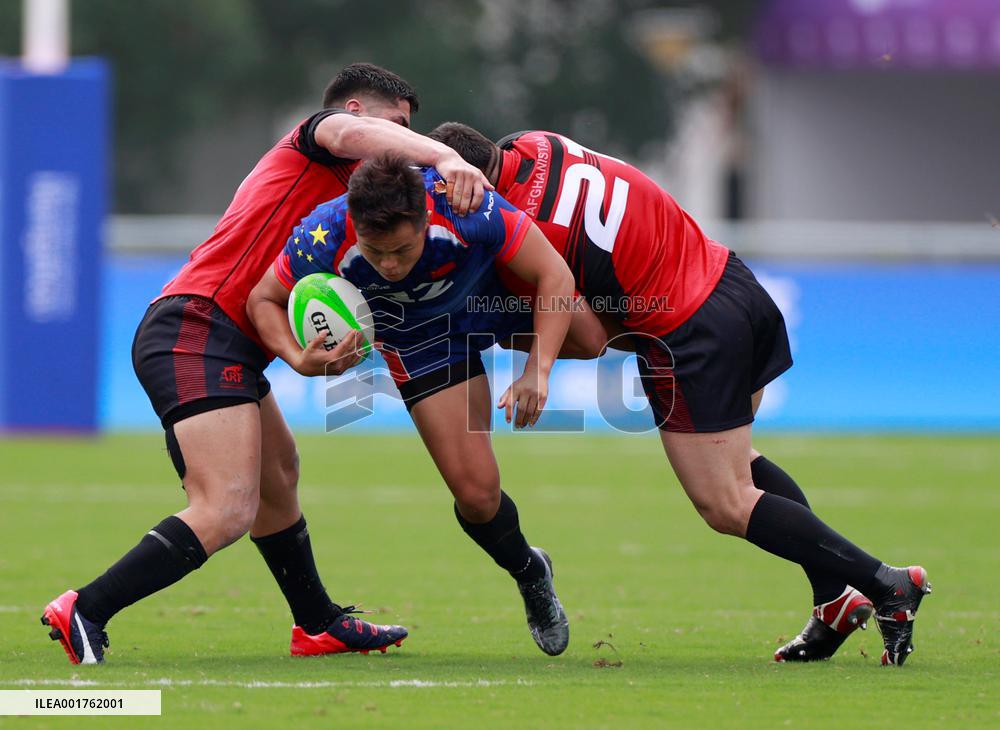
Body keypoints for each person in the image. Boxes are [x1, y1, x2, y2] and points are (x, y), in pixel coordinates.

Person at [428, 122, 932, 666]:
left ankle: (887, 584)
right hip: (731, 282)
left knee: (725, 503)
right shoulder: (535, 143)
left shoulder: (523, 225)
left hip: (690, 330)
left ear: (467, 182)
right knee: (742, 467)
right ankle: (834, 597)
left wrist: (516, 346)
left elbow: (594, 339)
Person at [39, 64, 490, 665]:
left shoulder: (352, 200)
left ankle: (316, 624)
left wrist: (302, 357)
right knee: (225, 509)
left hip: (223, 339)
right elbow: (354, 138)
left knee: (279, 476)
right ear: (354, 112)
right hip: (196, 327)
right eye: (399, 127)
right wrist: (444, 156)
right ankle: (86, 608)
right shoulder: (325, 134)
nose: (406, 142)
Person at [247, 153, 580, 656]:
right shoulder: (326, 230)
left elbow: (557, 275)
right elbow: (262, 299)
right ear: (354, 226)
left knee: (597, 335)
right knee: (477, 495)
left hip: (495, 304)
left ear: (426, 217)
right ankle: (531, 571)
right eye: (375, 251)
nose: (390, 265)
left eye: (402, 249)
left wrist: (538, 369)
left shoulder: (466, 207)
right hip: (424, 341)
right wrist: (298, 358)